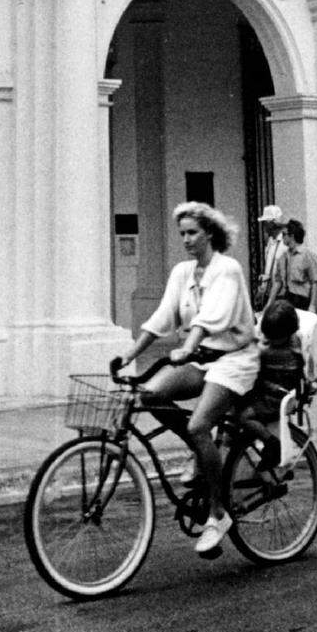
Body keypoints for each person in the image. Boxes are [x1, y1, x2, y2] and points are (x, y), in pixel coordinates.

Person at [116, 201, 259, 555]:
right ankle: (201, 450)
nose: (186, 240)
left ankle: (217, 514)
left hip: (234, 360)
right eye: (182, 233)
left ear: (210, 233)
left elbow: (212, 317)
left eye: (192, 232)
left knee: (197, 425)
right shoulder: (182, 272)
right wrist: (129, 356)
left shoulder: (227, 269)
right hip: (201, 359)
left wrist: (186, 347)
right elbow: (162, 317)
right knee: (150, 394)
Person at [237, 299, 306, 484]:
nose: (268, 339)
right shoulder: (295, 342)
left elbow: (257, 351)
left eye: (272, 337)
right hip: (273, 392)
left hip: (272, 398)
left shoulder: (277, 352)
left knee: (244, 417)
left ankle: (271, 444)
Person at [282, 218, 317, 313]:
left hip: (302, 300)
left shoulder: (307, 255)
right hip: (290, 298)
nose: (282, 237)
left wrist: (312, 305)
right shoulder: (286, 256)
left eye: (284, 234)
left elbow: (315, 282)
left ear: (291, 236)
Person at [256, 204, 288, 309]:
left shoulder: (284, 243)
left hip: (281, 295)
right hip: (269, 294)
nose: (264, 227)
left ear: (272, 224)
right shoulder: (271, 242)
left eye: (265, 223)